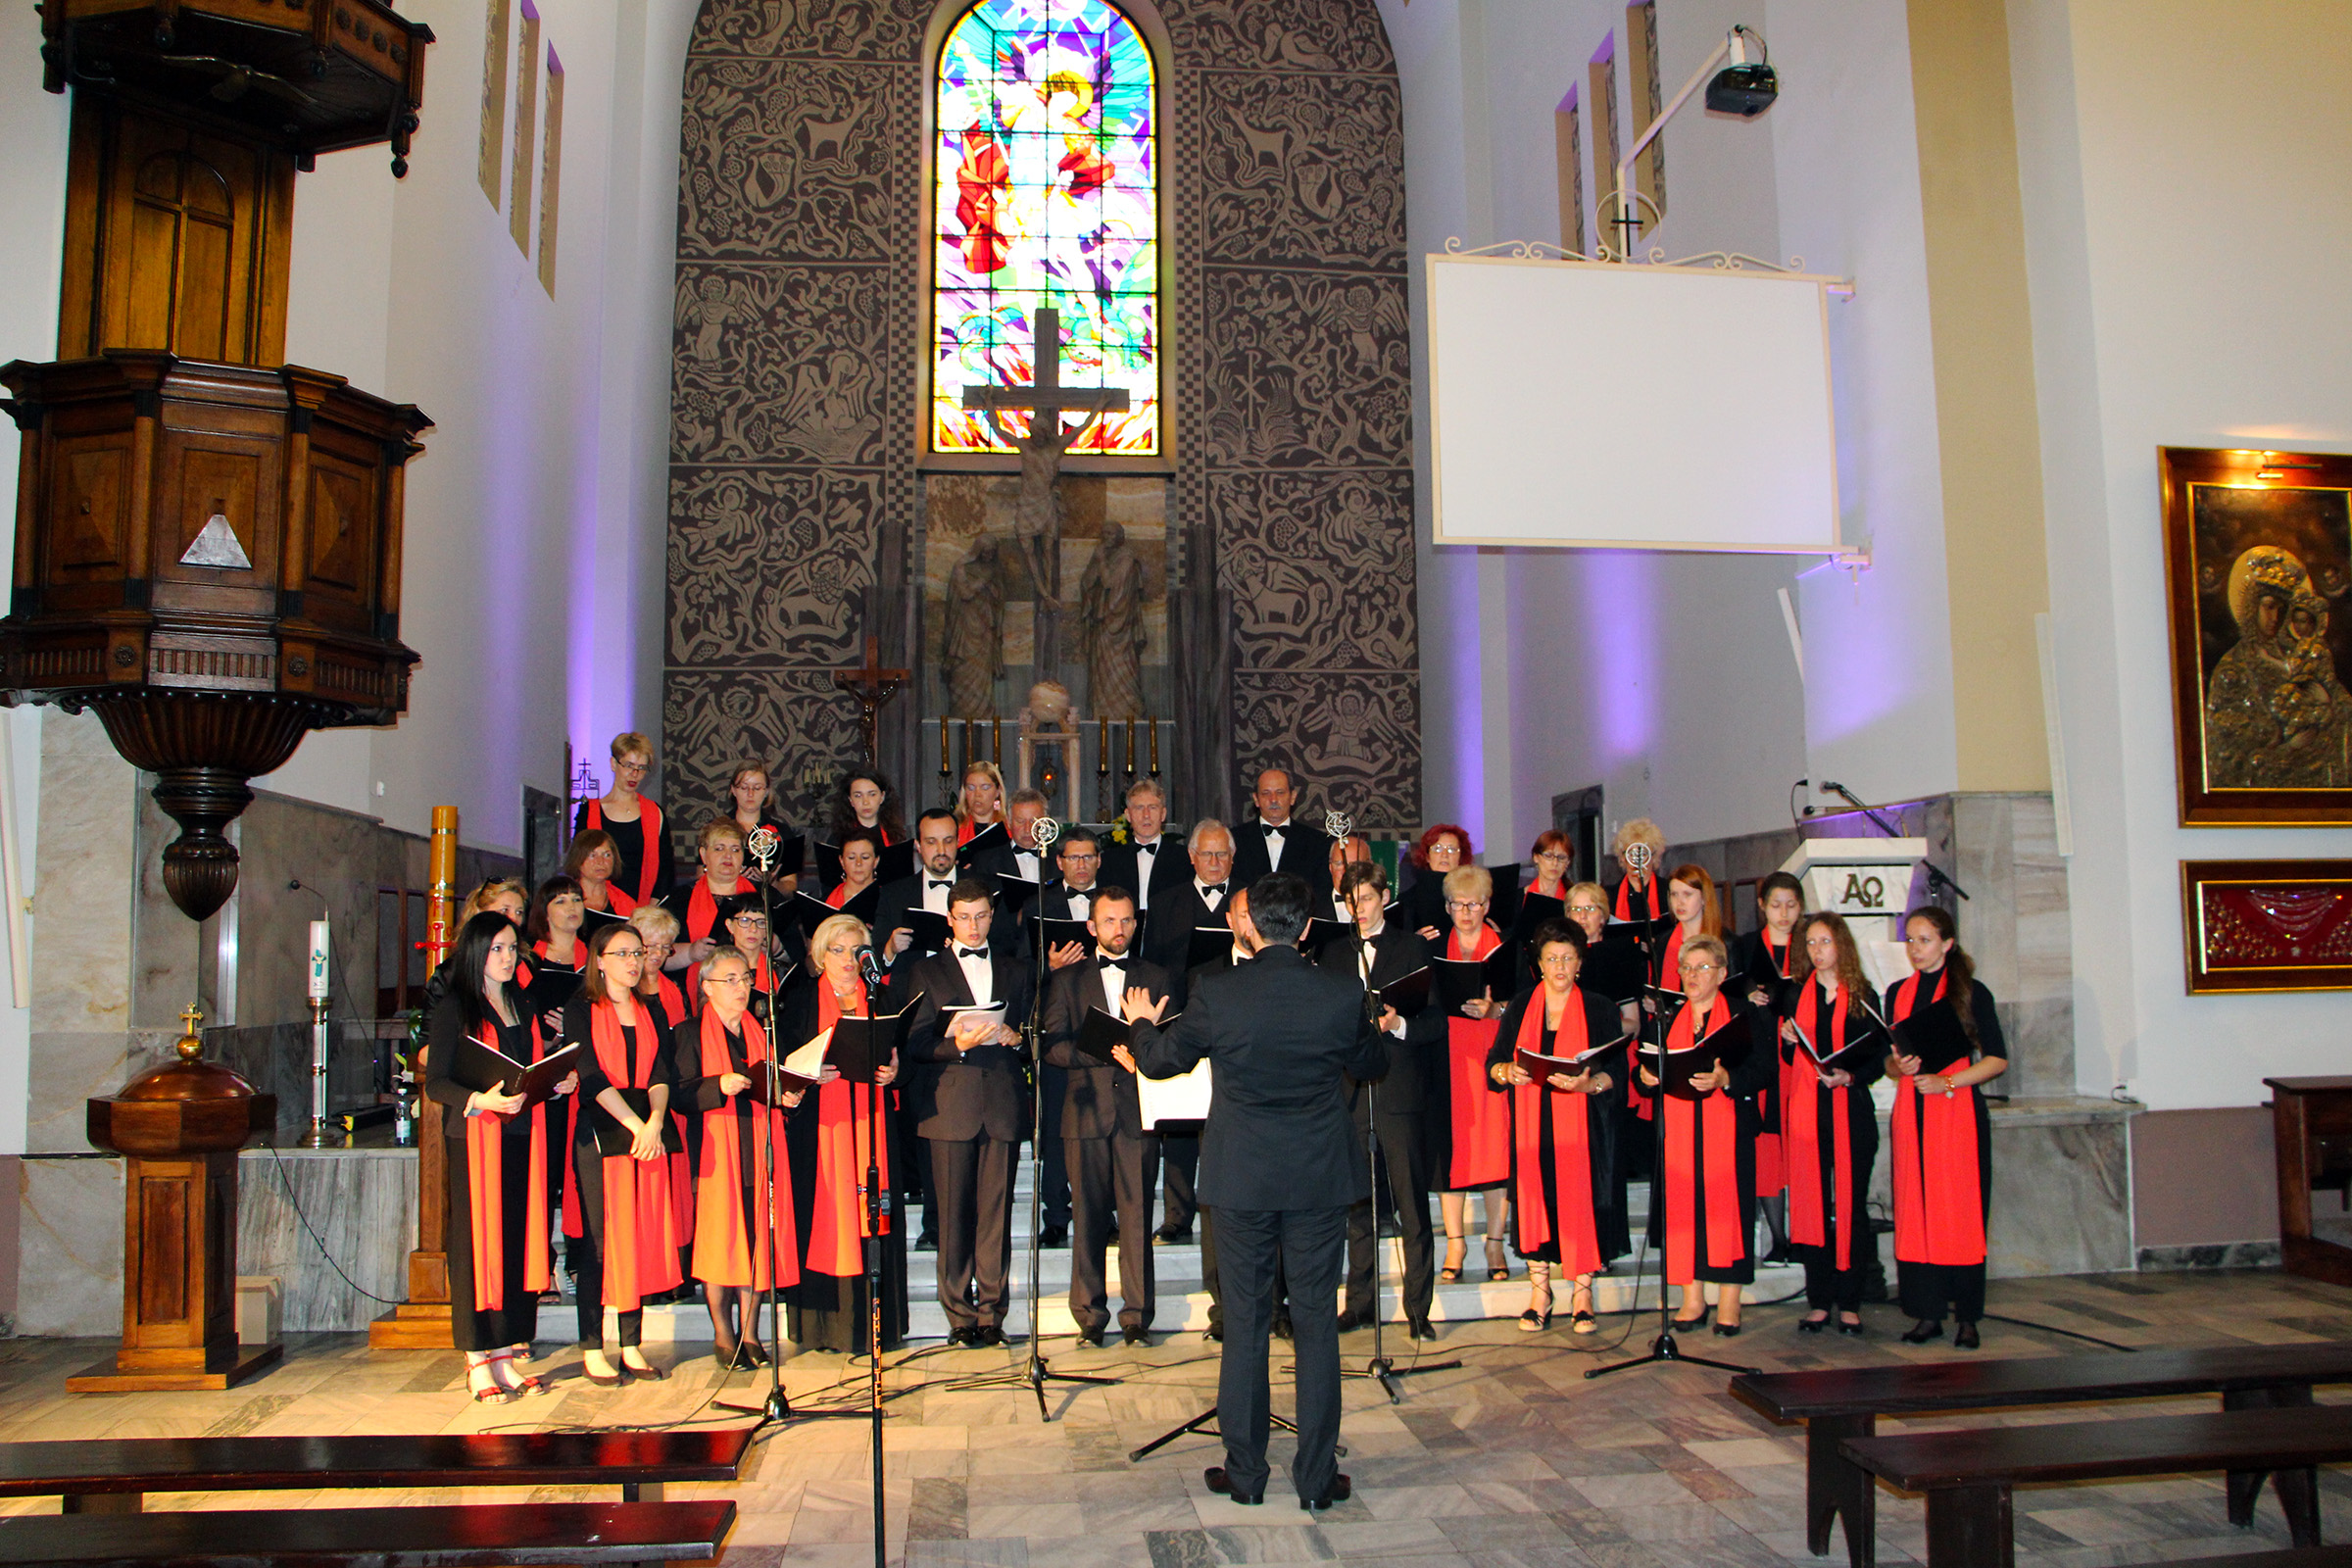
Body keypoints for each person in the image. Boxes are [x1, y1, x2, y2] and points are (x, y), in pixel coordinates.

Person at [1131, 872, 1380, 1512]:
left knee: (1244, 1322)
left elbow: (1159, 1060)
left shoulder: (1218, 991)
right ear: (1306, 927)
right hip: (1318, 1175)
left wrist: (1140, 1024)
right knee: (1316, 1321)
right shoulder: (1341, 990)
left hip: (1242, 1176)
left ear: (1248, 927)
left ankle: (1245, 1475)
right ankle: (1317, 1480)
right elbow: (1372, 1064)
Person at [425, 911, 573, 1401]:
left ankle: (506, 1354)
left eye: (512, 949)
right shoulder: (456, 1007)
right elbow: (437, 1082)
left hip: (522, 1134)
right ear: (476, 953)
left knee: (517, 1243)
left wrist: (555, 1082)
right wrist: (480, 1100)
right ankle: (477, 1360)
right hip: (475, 1138)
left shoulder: (522, 1003)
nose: (508, 958)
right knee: (476, 1246)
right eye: (497, 949)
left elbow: (527, 1071)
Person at [901, 882, 1034, 1346]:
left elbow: (1033, 1034)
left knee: (995, 1215)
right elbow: (915, 1043)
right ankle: (959, 1315)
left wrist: (1018, 1039)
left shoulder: (1017, 969)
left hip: (1001, 1103)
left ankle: (992, 1314)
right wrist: (954, 1044)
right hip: (949, 1106)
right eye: (963, 917)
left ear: (991, 917)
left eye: (980, 916)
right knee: (953, 1215)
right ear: (950, 919)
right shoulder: (926, 970)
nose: (973, 926)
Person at [1042, 885, 1171, 1345]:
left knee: (1137, 1218)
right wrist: (1099, 1052)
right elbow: (1050, 1045)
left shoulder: (1157, 976)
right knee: (1088, 1219)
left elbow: (1175, 1043)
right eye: (1110, 921)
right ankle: (1089, 1316)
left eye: (1127, 920)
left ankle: (1137, 1317)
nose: (1120, 929)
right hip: (1086, 1111)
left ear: (1136, 923)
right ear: (1092, 926)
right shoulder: (1067, 980)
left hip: (1137, 1112)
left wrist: (1147, 1054)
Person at [1323, 860, 1443, 1340]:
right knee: (1358, 1209)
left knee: (1411, 1206)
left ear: (1385, 897)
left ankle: (1418, 1309)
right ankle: (1359, 1304)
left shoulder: (1412, 947)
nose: (1360, 909)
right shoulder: (1333, 953)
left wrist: (1399, 1025)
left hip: (1398, 1091)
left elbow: (1436, 1021)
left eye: (1368, 899)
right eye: (1351, 901)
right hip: (1350, 1094)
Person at [1486, 920, 1624, 1333]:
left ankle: (1582, 1294)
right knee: (1538, 1201)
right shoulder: (1521, 1005)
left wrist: (1590, 1084)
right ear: (1539, 964)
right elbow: (1494, 1063)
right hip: (1533, 1127)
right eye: (1551, 959)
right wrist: (1507, 1071)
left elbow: (1617, 1069)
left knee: (1581, 1202)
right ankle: (1540, 1294)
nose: (1559, 966)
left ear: (1580, 963)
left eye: (1567, 958)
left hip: (1584, 1126)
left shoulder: (1600, 1007)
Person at [779, 913, 907, 1352]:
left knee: (874, 1217)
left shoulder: (881, 995)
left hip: (874, 1126)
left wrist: (895, 1071)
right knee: (825, 1216)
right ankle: (826, 1328)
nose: (848, 960)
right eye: (838, 950)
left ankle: (877, 1325)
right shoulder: (800, 999)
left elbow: (904, 1054)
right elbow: (785, 1062)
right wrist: (808, 1074)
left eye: (857, 950)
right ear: (820, 955)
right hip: (820, 1129)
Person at [561, 921, 682, 1386]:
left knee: (638, 1236)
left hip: (648, 1127)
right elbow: (590, 1075)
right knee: (600, 1240)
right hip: (603, 1126)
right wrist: (636, 1125)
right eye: (623, 953)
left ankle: (631, 1344)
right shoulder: (580, 1008)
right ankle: (593, 1347)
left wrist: (654, 1122)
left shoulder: (651, 1007)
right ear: (599, 960)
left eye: (638, 953)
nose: (634, 962)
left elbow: (661, 1071)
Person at [1638, 932, 1772, 1336]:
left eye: (1702, 968)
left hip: (1728, 1130)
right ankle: (1692, 1299)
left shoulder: (1743, 1016)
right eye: (1686, 968)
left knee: (1729, 1212)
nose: (1692, 975)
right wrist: (1645, 1077)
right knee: (1685, 1213)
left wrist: (1727, 1079)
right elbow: (1645, 1069)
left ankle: (1729, 1302)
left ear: (1722, 973)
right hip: (1679, 1134)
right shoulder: (1666, 1020)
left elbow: (1764, 1069)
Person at [679, 945, 807, 1369]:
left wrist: (789, 1095)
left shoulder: (764, 1032)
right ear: (707, 987)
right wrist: (717, 1085)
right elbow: (679, 1093)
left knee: (757, 1242)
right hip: (715, 1153)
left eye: (746, 979)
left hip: (761, 1146)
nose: (741, 987)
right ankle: (723, 1335)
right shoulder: (688, 1033)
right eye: (730, 980)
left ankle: (750, 1333)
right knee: (720, 1244)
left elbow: (778, 1082)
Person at [1885, 906, 2006, 1349]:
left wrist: (1947, 1081)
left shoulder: (1971, 992)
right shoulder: (1897, 992)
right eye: (1910, 941)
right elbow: (1889, 1063)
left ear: (1947, 943)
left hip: (1957, 1112)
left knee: (1959, 1213)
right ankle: (1927, 1313)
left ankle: (1967, 1317)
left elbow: (1997, 1059)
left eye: (1925, 940)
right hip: (1912, 1112)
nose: (1916, 949)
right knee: (1916, 1212)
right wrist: (1898, 1066)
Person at [1778, 911, 1886, 1335]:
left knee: (1852, 1208)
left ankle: (1851, 1302)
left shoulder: (1862, 994)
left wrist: (1849, 1076)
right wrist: (1788, 1041)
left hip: (1850, 1110)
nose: (1817, 951)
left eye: (1824, 942)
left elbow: (1878, 1057)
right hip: (1809, 1113)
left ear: (1841, 945)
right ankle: (1820, 1300)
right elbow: (1791, 1059)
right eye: (1810, 943)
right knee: (1813, 1207)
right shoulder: (1796, 995)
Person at [1148, 818, 1237, 1245]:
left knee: (1231, 1124)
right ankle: (1177, 1216)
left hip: (1236, 1028)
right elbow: (1151, 966)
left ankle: (1232, 1213)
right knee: (1180, 1127)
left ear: (1233, 858)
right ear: (1192, 857)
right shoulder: (1165, 902)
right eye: (1207, 854)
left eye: (1222, 854)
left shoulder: (1248, 900)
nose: (1215, 862)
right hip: (1182, 1025)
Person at [1428, 864, 1511, 1285]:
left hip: (1492, 1056)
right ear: (1446, 907)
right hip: (1449, 1058)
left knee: (1495, 1148)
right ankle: (1455, 1242)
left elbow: (1524, 1005)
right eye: (1457, 904)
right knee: (1452, 1150)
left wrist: (1496, 1010)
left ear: (1487, 906)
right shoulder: (1432, 948)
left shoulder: (1505, 949)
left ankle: (1495, 1243)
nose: (1465, 912)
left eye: (1474, 904)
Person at [1732, 870, 1806, 1257]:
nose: (1784, 913)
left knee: (1801, 1138)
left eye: (1791, 905)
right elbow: (1730, 992)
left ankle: (1808, 1233)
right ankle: (1779, 1238)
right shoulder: (1745, 946)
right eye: (1776, 905)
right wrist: (1747, 998)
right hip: (1761, 1053)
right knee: (1768, 1142)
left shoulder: (1809, 946)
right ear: (1762, 906)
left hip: (1798, 1055)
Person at [575, 731, 674, 907]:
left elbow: (665, 869)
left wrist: (648, 911)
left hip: (642, 907)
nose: (635, 774)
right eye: (629, 765)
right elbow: (578, 863)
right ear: (614, 764)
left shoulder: (655, 813)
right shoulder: (589, 811)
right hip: (598, 905)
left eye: (642, 768)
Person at [1100, 778, 1187, 937]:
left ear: (1163, 814)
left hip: (1170, 939)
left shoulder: (1184, 859)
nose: (1146, 815)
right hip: (1122, 937)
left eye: (1152, 808)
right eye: (1139, 808)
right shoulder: (1110, 861)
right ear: (1128, 815)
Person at [666, 818, 756, 963]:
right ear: (703, 854)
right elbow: (657, 954)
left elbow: (790, 951)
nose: (728, 855)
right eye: (719, 849)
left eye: (735, 850)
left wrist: (773, 946)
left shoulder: (763, 896)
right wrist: (690, 953)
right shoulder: (680, 899)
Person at [1230, 767, 1333, 886]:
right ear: (1256, 799)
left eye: (1280, 792)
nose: (1273, 799)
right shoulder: (1234, 839)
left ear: (1292, 797)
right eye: (1266, 793)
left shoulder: (1318, 843)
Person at [728, 760, 801, 897]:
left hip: (769, 904)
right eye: (743, 787)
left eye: (757, 788)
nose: (750, 793)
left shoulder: (784, 832)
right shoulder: (716, 829)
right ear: (733, 790)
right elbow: (701, 877)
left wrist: (771, 883)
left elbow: (791, 887)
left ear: (766, 791)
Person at [1403, 823, 1472, 940]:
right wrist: (1414, 941)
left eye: (1451, 849)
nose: (1444, 855)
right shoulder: (1408, 899)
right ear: (1427, 856)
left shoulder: (1473, 894)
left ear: (1460, 858)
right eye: (1437, 849)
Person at [828, 768, 906, 852]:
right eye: (858, 796)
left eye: (872, 794)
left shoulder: (895, 836)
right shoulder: (838, 838)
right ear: (850, 800)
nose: (865, 802)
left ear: (882, 797)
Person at [566, 831, 637, 922]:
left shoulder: (626, 903)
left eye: (607, 855)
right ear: (577, 859)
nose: (600, 861)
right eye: (592, 855)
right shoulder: (563, 899)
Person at [826, 828, 884, 911]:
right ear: (842, 861)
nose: (858, 863)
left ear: (876, 861)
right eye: (851, 857)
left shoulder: (888, 901)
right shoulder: (827, 902)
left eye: (865, 857)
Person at [954, 760, 1006, 846]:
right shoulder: (954, 828)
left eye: (985, 788)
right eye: (971, 788)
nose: (977, 794)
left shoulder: (1009, 828)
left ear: (998, 791)